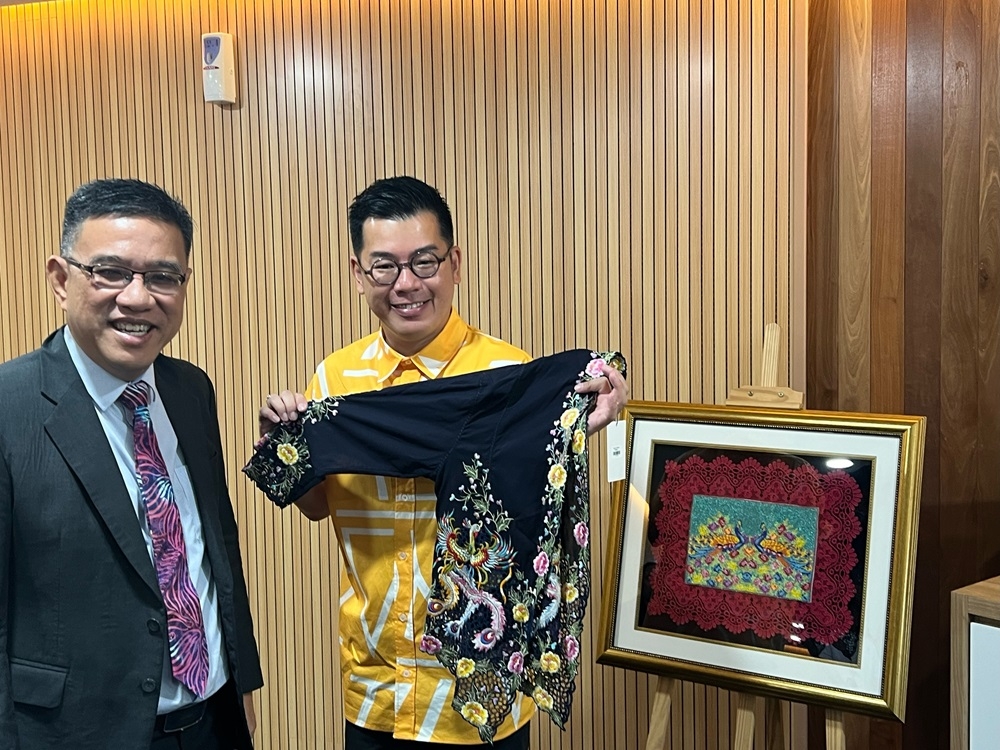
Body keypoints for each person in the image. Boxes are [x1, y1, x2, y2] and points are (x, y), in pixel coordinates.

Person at [259, 176, 628, 749]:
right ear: (358, 274)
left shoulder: (510, 377)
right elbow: (316, 508)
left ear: (454, 263)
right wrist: (290, 447)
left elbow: (542, 505)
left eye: (424, 261)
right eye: (384, 266)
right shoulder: (334, 381)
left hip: (478, 691)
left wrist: (587, 411)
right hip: (375, 686)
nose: (406, 284)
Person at [0, 178, 263, 749]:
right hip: (76, 732)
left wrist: (238, 680)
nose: (138, 298)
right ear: (59, 279)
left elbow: (210, 541)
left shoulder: (190, 389)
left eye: (163, 276)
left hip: (211, 720)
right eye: (110, 272)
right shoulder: (8, 407)